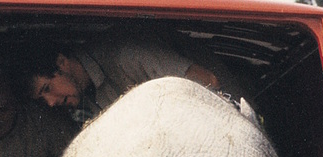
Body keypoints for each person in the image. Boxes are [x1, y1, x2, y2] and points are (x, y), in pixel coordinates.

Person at [25, 37, 241, 115]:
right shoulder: (88, 95)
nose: (51, 103)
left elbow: (208, 82)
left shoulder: (125, 56)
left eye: (47, 89)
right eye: (43, 100)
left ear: (62, 62)